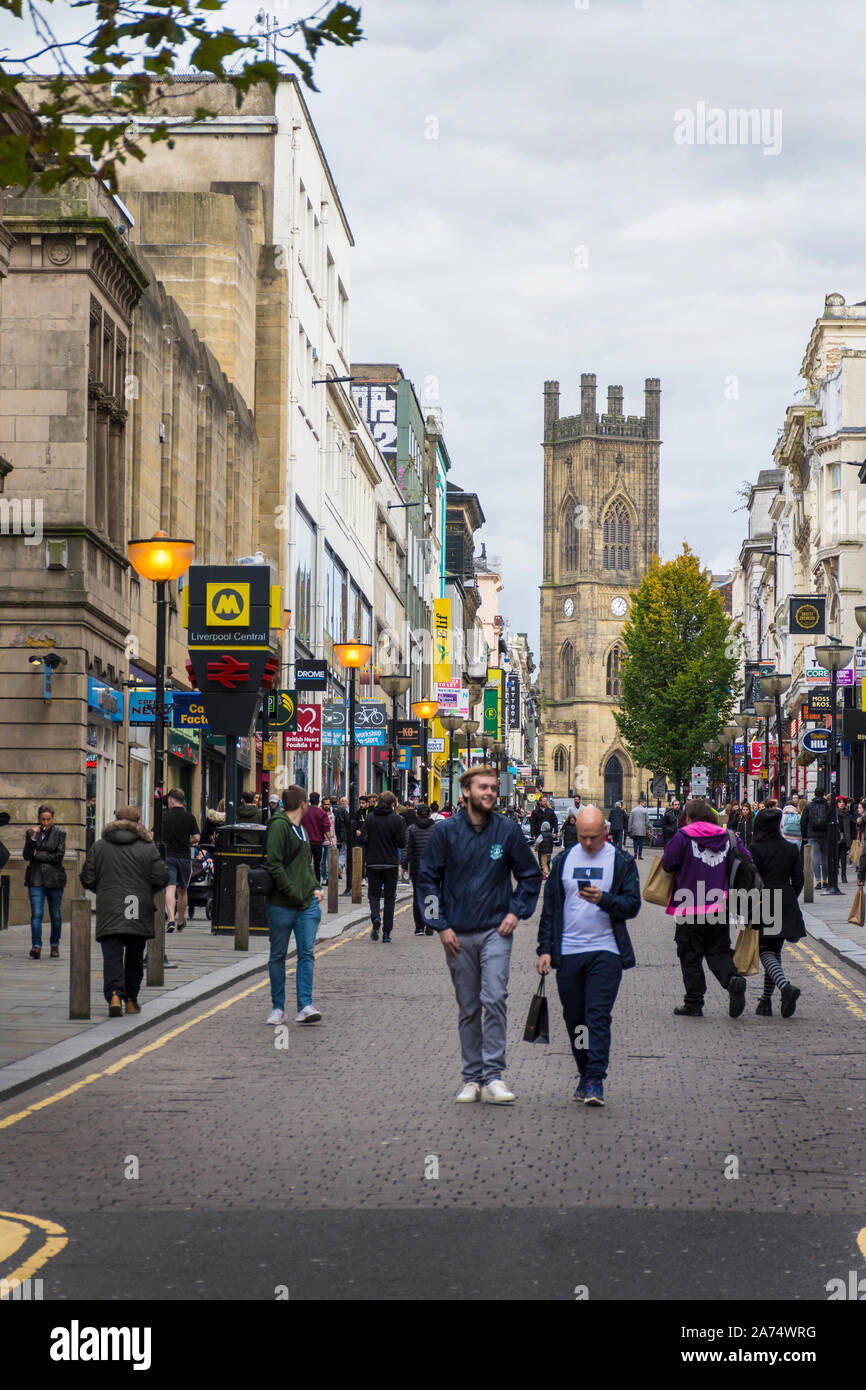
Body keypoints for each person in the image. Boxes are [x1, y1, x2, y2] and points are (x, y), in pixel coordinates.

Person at [417, 765, 542, 1104]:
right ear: (466, 792)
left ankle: (494, 1076)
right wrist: (439, 924)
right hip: (456, 933)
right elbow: (427, 878)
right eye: (482, 787)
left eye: (492, 787)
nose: (489, 792)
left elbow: (530, 875)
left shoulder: (508, 831)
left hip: (495, 930)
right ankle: (471, 1078)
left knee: (495, 997)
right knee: (469, 1006)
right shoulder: (446, 833)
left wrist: (516, 911)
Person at [537, 804, 641, 1106]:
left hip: (606, 951)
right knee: (576, 1019)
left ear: (605, 833)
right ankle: (584, 1071)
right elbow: (549, 912)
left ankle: (596, 1078)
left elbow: (632, 905)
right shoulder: (563, 861)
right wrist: (544, 949)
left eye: (593, 837)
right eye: (582, 837)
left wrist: (605, 900)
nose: (587, 843)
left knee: (597, 1015)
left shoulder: (621, 861)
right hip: (568, 952)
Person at [661, 797, 749, 1017]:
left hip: (689, 904)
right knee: (718, 950)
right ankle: (732, 980)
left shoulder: (683, 836)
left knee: (689, 954)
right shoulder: (728, 836)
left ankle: (694, 1002)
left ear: (689, 817)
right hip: (718, 904)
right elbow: (747, 859)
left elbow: (668, 863)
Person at [80, 805, 170, 1016]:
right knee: (134, 956)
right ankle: (130, 999)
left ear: (116, 821)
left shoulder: (100, 846)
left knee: (112, 955)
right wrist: (146, 891)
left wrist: (103, 890)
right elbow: (161, 877)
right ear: (138, 823)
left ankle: (113, 995)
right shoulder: (148, 847)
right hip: (138, 907)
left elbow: (87, 878)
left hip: (110, 906)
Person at [263, 784, 323, 1025]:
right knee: (278, 955)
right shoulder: (279, 826)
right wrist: (293, 892)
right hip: (281, 904)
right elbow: (274, 864)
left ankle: (305, 1005)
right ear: (303, 804)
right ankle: (278, 1008)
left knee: (306, 953)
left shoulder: (301, 828)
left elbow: (305, 863)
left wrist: (314, 887)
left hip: (306, 904)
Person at [749, 807, 803, 1018]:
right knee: (774, 952)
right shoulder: (791, 848)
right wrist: (789, 897)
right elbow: (799, 880)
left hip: (764, 900)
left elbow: (751, 880)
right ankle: (765, 1002)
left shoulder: (755, 848)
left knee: (764, 951)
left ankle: (786, 988)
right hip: (786, 899)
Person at [360, 790, 406, 941]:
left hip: (373, 863)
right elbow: (402, 843)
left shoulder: (370, 817)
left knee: (373, 895)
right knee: (389, 898)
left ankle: (375, 918)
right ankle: (386, 933)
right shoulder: (397, 820)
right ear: (393, 804)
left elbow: (364, 838)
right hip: (390, 864)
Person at [23, 804, 67, 959]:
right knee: (37, 914)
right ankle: (36, 946)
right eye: (43, 819)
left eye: (48, 819)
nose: (45, 822)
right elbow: (27, 855)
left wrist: (38, 855)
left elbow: (58, 857)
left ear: (52, 819)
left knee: (55, 915)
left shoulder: (60, 833)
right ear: (38, 819)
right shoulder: (31, 833)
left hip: (54, 879)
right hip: (35, 879)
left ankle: (54, 944)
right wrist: (33, 839)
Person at [161, 788, 200, 932]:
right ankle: (181, 921)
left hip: (168, 856)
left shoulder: (163, 816)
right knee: (183, 890)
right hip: (184, 857)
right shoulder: (189, 817)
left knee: (169, 888)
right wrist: (187, 841)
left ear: (171, 800)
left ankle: (171, 919)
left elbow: (153, 834)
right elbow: (196, 837)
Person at [406, 803, 437, 935]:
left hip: (416, 866)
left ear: (417, 814)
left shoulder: (411, 828)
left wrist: (403, 864)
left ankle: (419, 927)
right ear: (429, 814)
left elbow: (407, 848)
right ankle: (430, 924)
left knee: (417, 896)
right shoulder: (436, 829)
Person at [800, 787, 830, 890]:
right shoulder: (828, 806)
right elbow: (832, 821)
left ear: (814, 794)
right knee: (825, 857)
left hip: (812, 834)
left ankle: (818, 880)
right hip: (825, 834)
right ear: (823, 794)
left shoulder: (809, 806)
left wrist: (804, 835)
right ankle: (825, 880)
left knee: (815, 857)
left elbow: (803, 822)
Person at [301, 791, 330, 883]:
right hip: (318, 843)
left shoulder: (304, 812)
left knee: (306, 863)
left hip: (306, 842)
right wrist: (331, 841)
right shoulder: (322, 813)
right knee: (317, 864)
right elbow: (326, 829)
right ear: (318, 801)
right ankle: (317, 882)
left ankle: (306, 881)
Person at [319, 797, 337, 885]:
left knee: (333, 860)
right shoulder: (320, 813)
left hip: (333, 839)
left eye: (328, 804)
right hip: (322, 840)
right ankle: (325, 877)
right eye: (325, 804)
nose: (326, 806)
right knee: (324, 861)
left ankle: (332, 877)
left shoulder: (334, 812)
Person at [399, 801, 417, 882]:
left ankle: (405, 874)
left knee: (405, 853)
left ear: (406, 806)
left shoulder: (402, 815)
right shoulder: (416, 815)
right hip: (415, 835)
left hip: (405, 835)